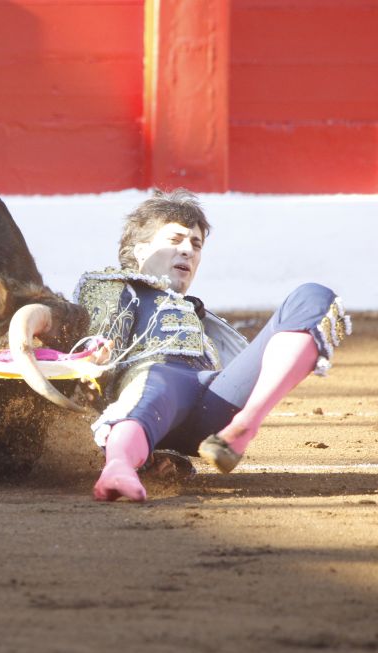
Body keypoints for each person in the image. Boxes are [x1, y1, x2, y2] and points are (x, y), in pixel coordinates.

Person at [72, 189, 350, 502]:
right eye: (175, 240)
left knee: (312, 297)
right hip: (159, 388)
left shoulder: (200, 314)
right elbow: (96, 339)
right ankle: (119, 465)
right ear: (141, 251)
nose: (188, 251)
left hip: (214, 404)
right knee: (155, 381)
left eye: (196, 244)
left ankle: (245, 425)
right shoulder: (117, 288)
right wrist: (95, 348)